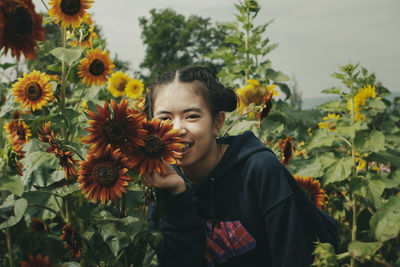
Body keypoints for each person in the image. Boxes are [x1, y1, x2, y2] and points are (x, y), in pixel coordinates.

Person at [141, 66, 337, 267]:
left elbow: (294, 254)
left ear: (217, 122)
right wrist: (177, 194)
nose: (177, 129)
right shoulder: (163, 181)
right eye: (164, 119)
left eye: (191, 116)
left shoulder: (259, 170)